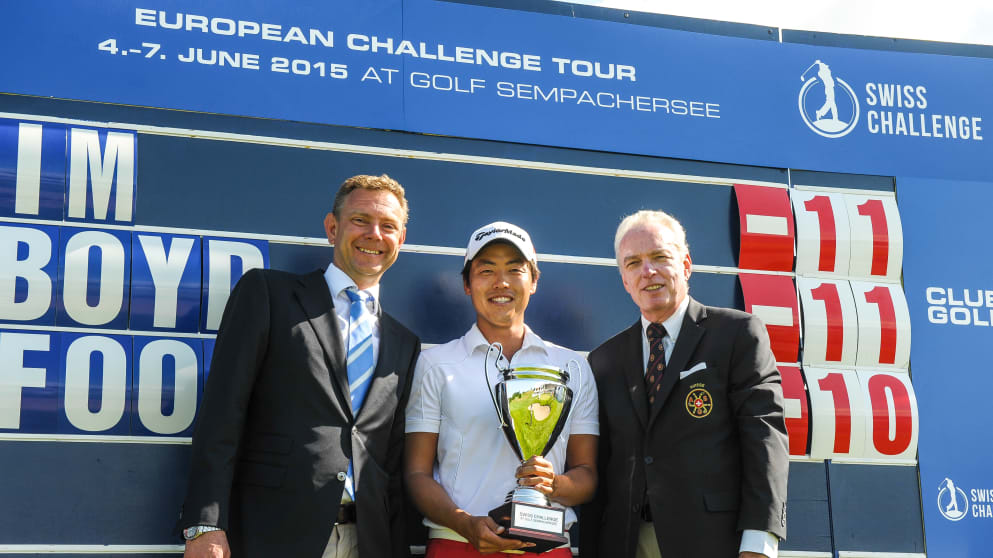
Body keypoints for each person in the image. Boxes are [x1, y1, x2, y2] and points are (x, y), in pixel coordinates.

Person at [177, 174, 421, 558]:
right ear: (332, 227)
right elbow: (221, 416)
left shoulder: (405, 343)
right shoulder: (268, 295)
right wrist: (206, 524)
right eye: (360, 220)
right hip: (271, 535)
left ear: (400, 240)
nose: (374, 234)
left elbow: (387, 462)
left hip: (367, 541)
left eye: (388, 226)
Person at [579, 210, 789, 558]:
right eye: (633, 263)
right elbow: (599, 467)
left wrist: (759, 542)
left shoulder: (737, 334)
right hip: (625, 544)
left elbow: (764, 437)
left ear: (686, 264)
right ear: (625, 281)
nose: (648, 272)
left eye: (660, 257)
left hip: (715, 542)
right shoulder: (603, 361)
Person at [404, 222, 598, 558]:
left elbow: (587, 474)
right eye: (486, 270)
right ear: (466, 284)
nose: (501, 282)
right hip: (457, 544)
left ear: (534, 281)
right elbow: (417, 474)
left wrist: (555, 484)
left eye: (514, 269)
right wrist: (465, 523)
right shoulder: (435, 365)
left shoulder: (573, 368)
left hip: (547, 548)